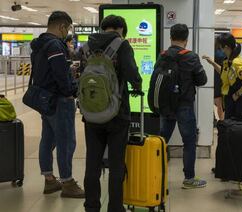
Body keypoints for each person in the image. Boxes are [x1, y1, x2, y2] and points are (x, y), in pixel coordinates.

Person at [81, 15, 143, 212]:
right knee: (116, 165)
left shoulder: (86, 47)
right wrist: (137, 85)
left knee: (92, 163)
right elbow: (133, 74)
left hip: (91, 114)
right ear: (120, 29)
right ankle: (115, 208)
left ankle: (91, 206)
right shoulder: (122, 45)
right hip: (117, 114)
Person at [30, 11, 84, 198]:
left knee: (48, 139)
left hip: (45, 100)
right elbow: (61, 77)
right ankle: (67, 182)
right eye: (67, 28)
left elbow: (47, 71)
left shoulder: (40, 44)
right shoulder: (55, 45)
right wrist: (72, 90)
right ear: (61, 26)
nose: (66, 32)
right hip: (60, 100)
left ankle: (50, 180)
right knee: (66, 142)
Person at [158, 23, 208, 189]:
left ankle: (155, 173)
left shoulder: (163, 55)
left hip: (166, 106)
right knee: (189, 141)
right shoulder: (191, 57)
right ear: (186, 39)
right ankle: (189, 179)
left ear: (170, 37)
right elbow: (202, 80)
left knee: (161, 140)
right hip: (184, 105)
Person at [203, 33, 242, 121]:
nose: (220, 49)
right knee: (229, 128)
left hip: (239, 104)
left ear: (226, 47)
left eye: (220, 47)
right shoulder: (227, 61)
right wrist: (212, 63)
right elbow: (223, 72)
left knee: (235, 129)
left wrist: (237, 95)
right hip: (230, 102)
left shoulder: (237, 62)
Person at [214, 38, 225, 121]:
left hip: (216, 79)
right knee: (222, 105)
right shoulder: (222, 53)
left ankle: (222, 121)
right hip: (222, 79)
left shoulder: (213, 52)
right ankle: (223, 121)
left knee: (219, 105)